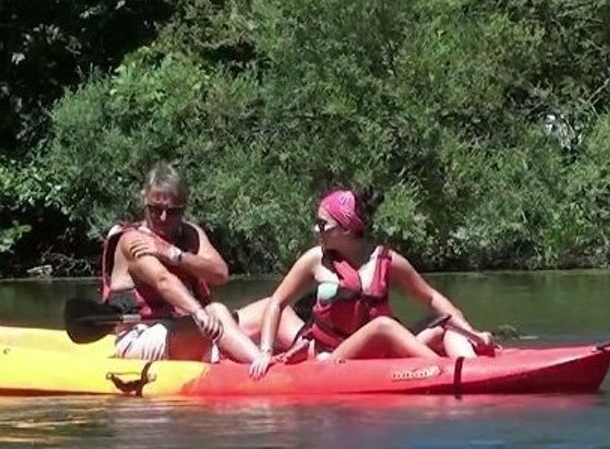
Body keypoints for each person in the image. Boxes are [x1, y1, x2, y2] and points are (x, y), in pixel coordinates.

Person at [250, 182, 493, 379]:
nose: (316, 230)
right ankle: (444, 372)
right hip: (334, 354)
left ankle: (474, 371)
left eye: (323, 224)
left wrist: (470, 331)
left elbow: (430, 297)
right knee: (382, 326)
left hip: (381, 350)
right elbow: (277, 303)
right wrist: (265, 351)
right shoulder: (315, 260)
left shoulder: (388, 261)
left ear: (346, 228)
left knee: (446, 323)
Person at [101, 161, 267, 363]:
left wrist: (173, 254)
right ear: (144, 201)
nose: (163, 217)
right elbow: (163, 281)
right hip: (140, 336)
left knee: (270, 309)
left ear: (183, 208)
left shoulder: (190, 234)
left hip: (188, 327)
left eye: (173, 211)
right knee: (215, 311)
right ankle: (262, 367)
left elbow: (220, 274)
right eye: (155, 209)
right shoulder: (133, 241)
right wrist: (199, 313)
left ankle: (312, 357)